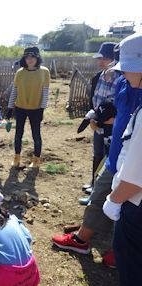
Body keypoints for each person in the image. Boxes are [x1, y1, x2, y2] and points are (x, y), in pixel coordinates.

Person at [52, 54, 142, 269]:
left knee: (126, 206)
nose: (122, 72)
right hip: (117, 154)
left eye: (126, 68)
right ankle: (85, 240)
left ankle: (116, 251)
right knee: (101, 196)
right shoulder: (124, 82)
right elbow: (116, 108)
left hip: (132, 161)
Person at [101, 33, 142, 286]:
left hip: (135, 206)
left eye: (126, 67)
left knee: (133, 278)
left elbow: (136, 177)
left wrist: (114, 201)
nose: (123, 73)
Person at [80, 42, 121, 202]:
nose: (101, 61)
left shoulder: (121, 78)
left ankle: (101, 194)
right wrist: (92, 118)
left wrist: (113, 120)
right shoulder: (98, 77)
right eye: (101, 58)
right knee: (97, 154)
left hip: (112, 124)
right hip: (98, 122)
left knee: (109, 158)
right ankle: (94, 184)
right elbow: (94, 100)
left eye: (105, 58)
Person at [7, 46, 50, 168]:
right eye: (27, 57)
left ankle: (36, 159)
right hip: (20, 107)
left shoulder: (44, 72)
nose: (30, 60)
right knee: (18, 134)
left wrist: (42, 108)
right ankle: (17, 157)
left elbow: (45, 91)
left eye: (32, 57)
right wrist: (10, 108)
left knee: (36, 134)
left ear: (37, 58)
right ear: (24, 59)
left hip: (36, 109)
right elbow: (15, 91)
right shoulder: (20, 73)